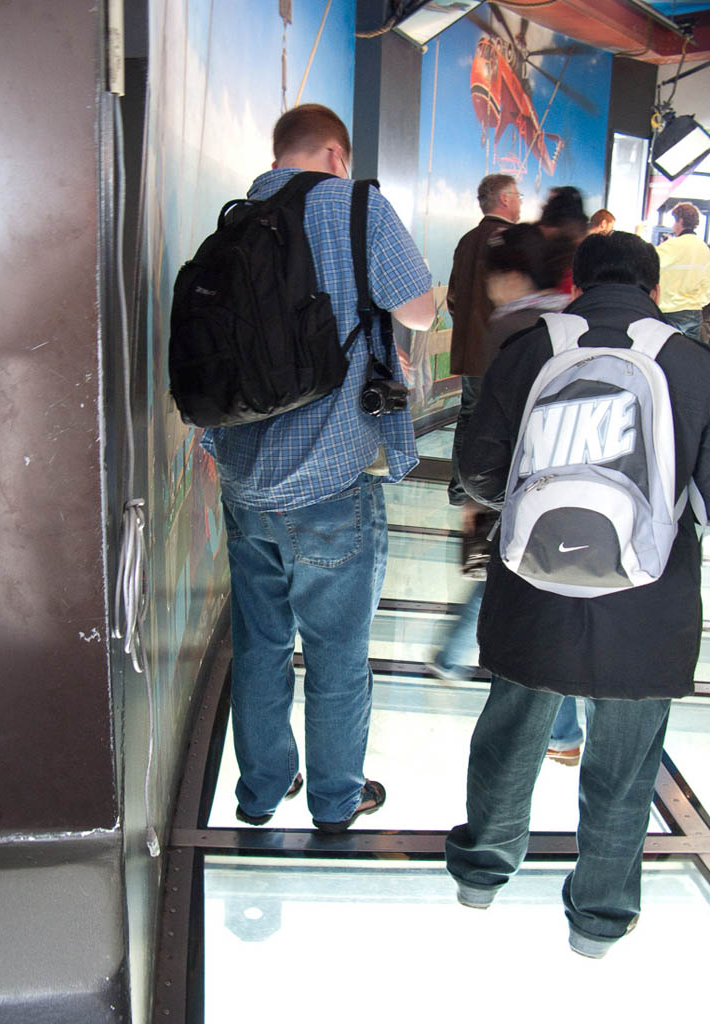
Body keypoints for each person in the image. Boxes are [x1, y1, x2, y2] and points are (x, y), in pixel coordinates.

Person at [446, 230, 710, 957]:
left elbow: (477, 471)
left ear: (578, 284)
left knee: (511, 736)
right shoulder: (693, 365)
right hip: (647, 604)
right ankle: (597, 920)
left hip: (533, 590)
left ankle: (481, 875)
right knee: (625, 768)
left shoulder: (531, 349)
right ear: (654, 290)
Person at [201, 104, 434, 833]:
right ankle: (336, 801)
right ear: (336, 152)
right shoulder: (356, 204)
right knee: (337, 653)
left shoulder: (237, 217)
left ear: (279, 155)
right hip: (330, 480)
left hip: (242, 476)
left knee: (261, 644)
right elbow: (421, 311)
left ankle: (261, 792)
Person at [430, 223, 583, 763]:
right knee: (541, 601)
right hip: (550, 485)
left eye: (494, 278)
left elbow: (486, 420)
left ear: (513, 276)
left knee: (515, 589)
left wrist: (476, 496)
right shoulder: (565, 323)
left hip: (513, 485)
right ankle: (561, 730)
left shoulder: (511, 327)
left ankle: (455, 657)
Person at [447, 174, 522, 504]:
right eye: (518, 195)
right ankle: (491, 492)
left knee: (468, 416)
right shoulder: (514, 242)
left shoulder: (467, 240)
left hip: (471, 351)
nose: (521, 202)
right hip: (505, 353)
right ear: (504, 199)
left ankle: (460, 488)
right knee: (505, 420)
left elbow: (452, 298)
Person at [656, 202, 710, 342]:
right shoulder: (703, 248)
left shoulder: (668, 246)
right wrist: (697, 301)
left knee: (666, 353)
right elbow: (707, 284)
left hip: (668, 311)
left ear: (680, 220)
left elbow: (652, 272)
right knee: (689, 354)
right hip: (694, 311)